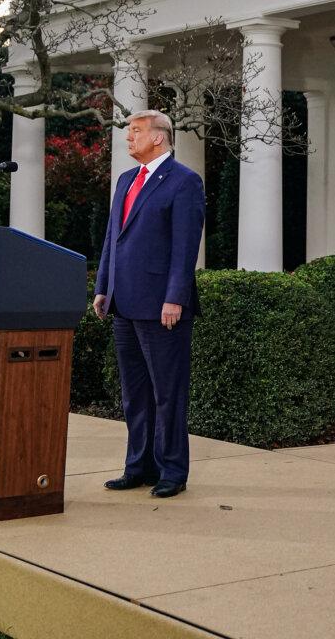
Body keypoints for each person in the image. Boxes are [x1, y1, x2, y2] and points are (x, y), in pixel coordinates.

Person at [93, 110, 205, 498]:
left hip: (162, 307)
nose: (128, 138)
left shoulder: (184, 182)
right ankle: (138, 466)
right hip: (123, 304)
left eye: (136, 132)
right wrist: (102, 286)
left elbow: (184, 247)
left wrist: (175, 297)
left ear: (159, 137)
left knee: (167, 393)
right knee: (134, 394)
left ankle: (172, 471)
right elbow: (113, 238)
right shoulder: (126, 180)